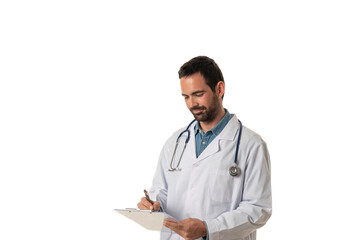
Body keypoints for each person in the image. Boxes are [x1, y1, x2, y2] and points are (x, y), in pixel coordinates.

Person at [137, 56, 272, 240]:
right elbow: (161, 190)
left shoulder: (251, 145)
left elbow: (258, 209)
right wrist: (153, 203)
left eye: (198, 94)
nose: (192, 104)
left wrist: (207, 228)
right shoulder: (175, 142)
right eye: (186, 96)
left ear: (219, 89)